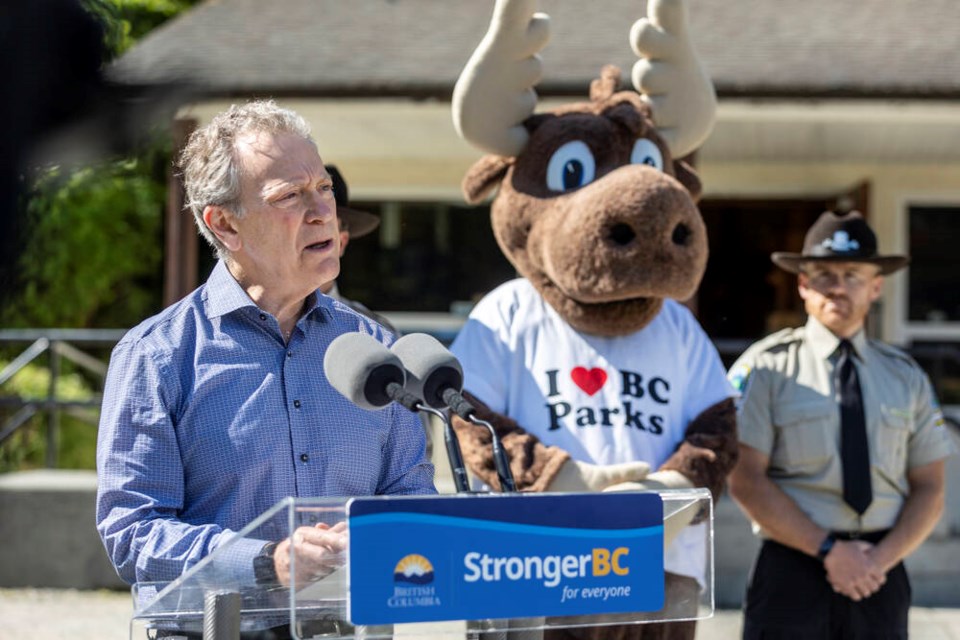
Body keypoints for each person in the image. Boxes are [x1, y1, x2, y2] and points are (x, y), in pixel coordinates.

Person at [95, 101, 435, 607]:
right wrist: (266, 561)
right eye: (291, 196)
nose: (322, 211)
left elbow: (412, 498)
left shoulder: (378, 349)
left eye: (324, 189)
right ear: (226, 225)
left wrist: (383, 538)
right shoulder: (157, 356)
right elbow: (133, 531)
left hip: (352, 628)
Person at [727, 210, 956, 639]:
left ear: (875, 287)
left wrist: (876, 561)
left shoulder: (905, 378)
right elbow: (745, 480)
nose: (837, 286)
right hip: (791, 571)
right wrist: (829, 550)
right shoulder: (766, 369)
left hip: (879, 572)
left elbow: (930, 486)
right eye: (824, 274)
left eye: (852, 274)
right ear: (802, 285)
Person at [321, 164, 399, 334]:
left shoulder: (377, 333)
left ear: (342, 242)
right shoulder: (256, 321)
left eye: (324, 225)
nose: (311, 231)